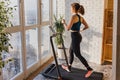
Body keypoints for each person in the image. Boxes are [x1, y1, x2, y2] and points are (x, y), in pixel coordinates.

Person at [61, 3, 93, 78]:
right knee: (71, 51)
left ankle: (89, 69)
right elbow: (87, 26)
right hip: (77, 36)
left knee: (78, 54)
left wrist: (63, 23)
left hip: (75, 37)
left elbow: (68, 28)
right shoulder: (80, 17)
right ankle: (69, 67)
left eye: (71, 8)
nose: (70, 9)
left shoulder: (73, 16)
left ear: (73, 8)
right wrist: (80, 30)